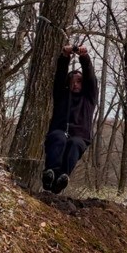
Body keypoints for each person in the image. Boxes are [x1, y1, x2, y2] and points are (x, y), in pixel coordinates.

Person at [42, 44, 98, 194]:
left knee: (74, 143)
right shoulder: (61, 95)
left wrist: (84, 57)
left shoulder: (89, 98)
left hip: (80, 137)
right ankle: (50, 174)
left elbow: (91, 77)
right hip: (58, 131)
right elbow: (60, 76)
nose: (75, 84)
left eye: (79, 81)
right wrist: (65, 57)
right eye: (72, 81)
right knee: (59, 138)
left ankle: (62, 178)